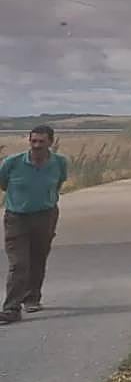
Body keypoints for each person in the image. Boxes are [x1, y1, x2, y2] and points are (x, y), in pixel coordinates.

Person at [0, 125, 69, 324]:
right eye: (33, 141)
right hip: (17, 218)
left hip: (45, 216)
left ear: (51, 142)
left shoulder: (59, 162)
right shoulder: (12, 163)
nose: (37, 145)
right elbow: (3, 184)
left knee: (38, 258)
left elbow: (58, 183)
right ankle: (11, 309)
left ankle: (32, 298)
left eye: (41, 141)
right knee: (19, 264)